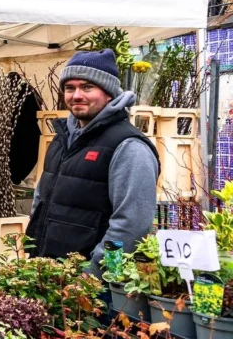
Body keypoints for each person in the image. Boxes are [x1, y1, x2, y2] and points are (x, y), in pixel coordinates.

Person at [26, 50, 160, 276]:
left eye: (87, 87)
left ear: (108, 93)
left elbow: (131, 226)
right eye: (70, 88)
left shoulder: (128, 147)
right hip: (50, 276)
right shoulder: (61, 139)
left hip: (93, 290)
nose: (76, 95)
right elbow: (41, 200)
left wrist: (97, 274)